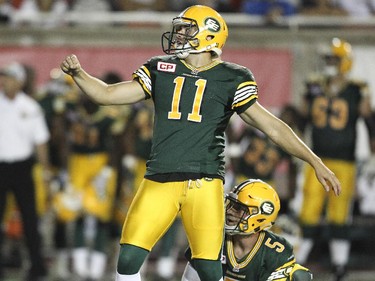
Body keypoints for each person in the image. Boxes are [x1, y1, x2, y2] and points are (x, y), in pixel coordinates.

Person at [60, 5, 341, 281]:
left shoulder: (233, 77)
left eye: (186, 29)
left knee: (209, 269)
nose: (179, 34)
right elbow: (108, 94)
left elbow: (273, 128)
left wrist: (313, 160)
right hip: (160, 177)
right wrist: (79, 75)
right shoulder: (160, 67)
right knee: (129, 259)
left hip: (205, 181)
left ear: (209, 34)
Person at [295, 38, 373, 281]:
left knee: (339, 215)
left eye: (334, 59)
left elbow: (370, 121)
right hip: (316, 160)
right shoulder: (314, 86)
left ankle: (340, 266)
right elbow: (302, 120)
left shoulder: (356, 90)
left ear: (345, 62)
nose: (330, 63)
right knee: (308, 213)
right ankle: (297, 263)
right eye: (328, 58)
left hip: (344, 162)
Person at [182, 178, 313, 281]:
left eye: (239, 209)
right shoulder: (212, 237)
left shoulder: (275, 252)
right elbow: (190, 279)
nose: (230, 211)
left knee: (298, 276)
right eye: (231, 205)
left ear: (260, 217)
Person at [0, 62, 50, 280]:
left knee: (30, 219)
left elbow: (40, 142)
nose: (5, 81)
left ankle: (37, 266)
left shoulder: (30, 107)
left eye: (10, 78)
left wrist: (46, 172)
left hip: (22, 167)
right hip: (0, 167)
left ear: (20, 81)